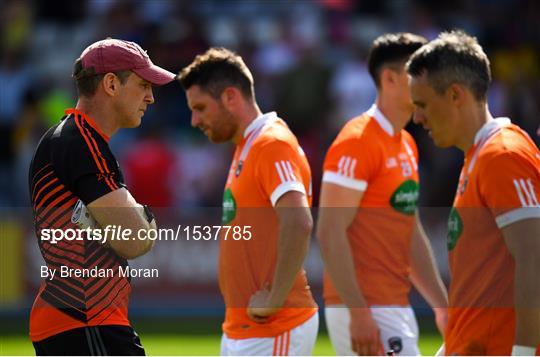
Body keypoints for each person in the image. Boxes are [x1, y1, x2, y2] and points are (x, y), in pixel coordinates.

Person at [28, 38, 176, 355]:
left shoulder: (73, 137)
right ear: (110, 83)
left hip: (76, 321)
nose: (150, 97)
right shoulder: (82, 140)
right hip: (86, 320)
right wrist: (144, 219)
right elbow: (135, 240)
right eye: (142, 85)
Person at [407, 30, 540, 356]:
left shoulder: (502, 156)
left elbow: (534, 260)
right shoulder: (478, 158)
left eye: (423, 104)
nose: (417, 117)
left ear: (455, 95)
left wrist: (523, 353)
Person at [178, 47, 318, 356]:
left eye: (200, 107)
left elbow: (299, 220)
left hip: (274, 327)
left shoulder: (271, 144)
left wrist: (275, 299)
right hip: (247, 328)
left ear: (230, 97)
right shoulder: (248, 146)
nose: (194, 120)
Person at [316, 33, 448, 356]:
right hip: (365, 308)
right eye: (420, 72)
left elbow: (409, 231)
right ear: (389, 78)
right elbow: (330, 231)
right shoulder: (357, 141)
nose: (430, 83)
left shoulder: (406, 144)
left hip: (392, 305)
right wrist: (359, 313)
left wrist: (443, 306)